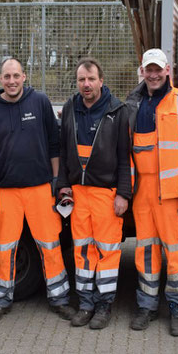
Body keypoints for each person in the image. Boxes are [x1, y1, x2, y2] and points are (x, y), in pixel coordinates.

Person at [0, 58, 74, 323]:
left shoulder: (40, 102)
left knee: (50, 245)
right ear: (0, 80)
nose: (11, 81)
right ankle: (0, 299)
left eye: (16, 76)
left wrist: (55, 181)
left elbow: (54, 144)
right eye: (6, 77)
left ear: (25, 76)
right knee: (5, 247)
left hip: (41, 188)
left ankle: (60, 298)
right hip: (5, 191)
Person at [127, 48, 178, 337]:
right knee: (145, 251)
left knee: (176, 253)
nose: (154, 74)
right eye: (149, 69)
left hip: (174, 195)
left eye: (158, 69)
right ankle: (146, 306)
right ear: (142, 71)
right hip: (142, 193)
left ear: (168, 70)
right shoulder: (133, 103)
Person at [57, 57, 132, 329]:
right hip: (78, 193)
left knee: (108, 251)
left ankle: (104, 305)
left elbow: (126, 156)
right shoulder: (69, 108)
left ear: (101, 81)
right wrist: (63, 184)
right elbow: (64, 152)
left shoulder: (117, 110)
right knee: (82, 251)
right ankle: (86, 304)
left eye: (91, 79)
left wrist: (123, 193)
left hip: (106, 193)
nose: (86, 85)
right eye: (81, 80)